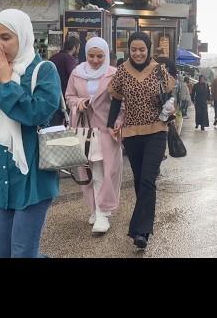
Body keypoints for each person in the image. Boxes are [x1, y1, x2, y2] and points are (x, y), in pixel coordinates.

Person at [0, 9, 61, 258]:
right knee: (3, 252)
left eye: (6, 38)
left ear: (23, 36)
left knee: (22, 252)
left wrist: (9, 85)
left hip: (33, 173)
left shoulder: (45, 71)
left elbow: (36, 114)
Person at [106, 32, 175, 250]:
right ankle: (143, 225)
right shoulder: (121, 71)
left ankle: (141, 231)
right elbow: (116, 100)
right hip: (132, 133)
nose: (137, 53)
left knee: (147, 179)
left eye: (142, 49)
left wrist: (171, 106)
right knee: (138, 180)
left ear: (148, 50)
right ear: (129, 50)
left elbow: (171, 96)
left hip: (157, 130)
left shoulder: (159, 70)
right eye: (134, 49)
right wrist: (110, 124)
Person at [66, 37, 123, 234]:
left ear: (106, 55)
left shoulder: (114, 74)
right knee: (86, 173)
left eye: (100, 56)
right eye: (91, 55)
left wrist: (118, 122)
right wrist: (78, 102)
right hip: (83, 128)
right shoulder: (77, 73)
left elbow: (122, 103)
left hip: (106, 130)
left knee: (104, 171)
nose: (96, 60)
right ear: (85, 54)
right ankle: (94, 208)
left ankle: (103, 212)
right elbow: (69, 97)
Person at [49, 34, 80, 125]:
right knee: (68, 123)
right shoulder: (69, 59)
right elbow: (74, 76)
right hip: (65, 97)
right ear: (74, 47)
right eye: (78, 48)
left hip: (53, 96)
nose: (78, 50)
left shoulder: (53, 57)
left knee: (55, 125)